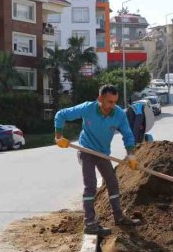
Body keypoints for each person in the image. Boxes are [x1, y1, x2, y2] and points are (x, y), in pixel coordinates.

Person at [55, 85, 142, 235]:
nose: (112, 106)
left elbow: (128, 135)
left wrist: (131, 155)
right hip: (86, 150)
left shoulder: (119, 114)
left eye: (115, 102)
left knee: (112, 183)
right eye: (109, 102)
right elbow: (61, 114)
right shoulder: (88, 108)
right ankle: (89, 223)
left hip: (103, 153)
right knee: (90, 185)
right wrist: (58, 137)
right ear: (100, 99)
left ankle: (119, 217)